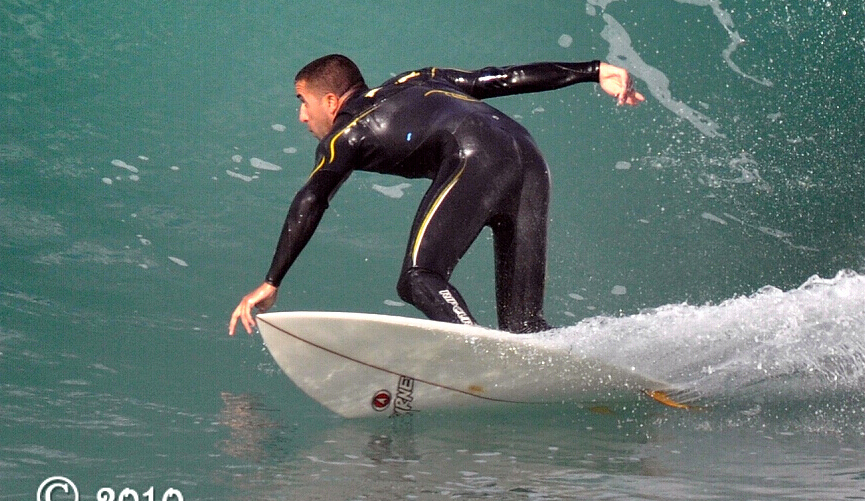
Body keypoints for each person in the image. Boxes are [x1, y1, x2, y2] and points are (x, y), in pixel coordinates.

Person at [229, 53, 643, 337]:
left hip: (476, 159)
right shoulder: (419, 79)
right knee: (523, 326)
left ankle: (472, 344)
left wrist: (272, 280)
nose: (302, 115)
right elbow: (498, 78)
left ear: (332, 101)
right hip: (528, 155)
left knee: (418, 278)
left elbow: (311, 200)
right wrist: (593, 70)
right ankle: (584, 370)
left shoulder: (346, 136)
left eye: (303, 102)